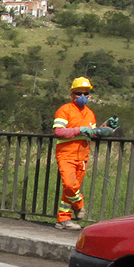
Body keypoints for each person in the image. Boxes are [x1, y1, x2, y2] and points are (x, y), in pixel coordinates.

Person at [51, 77, 113, 230]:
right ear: (72, 94)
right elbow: (58, 132)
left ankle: (63, 219)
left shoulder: (90, 113)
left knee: (70, 189)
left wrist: (105, 127)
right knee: (70, 185)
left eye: (86, 93)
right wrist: (80, 130)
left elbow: (92, 133)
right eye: (79, 93)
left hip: (83, 156)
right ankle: (79, 204)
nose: (83, 96)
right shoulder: (64, 110)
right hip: (66, 154)